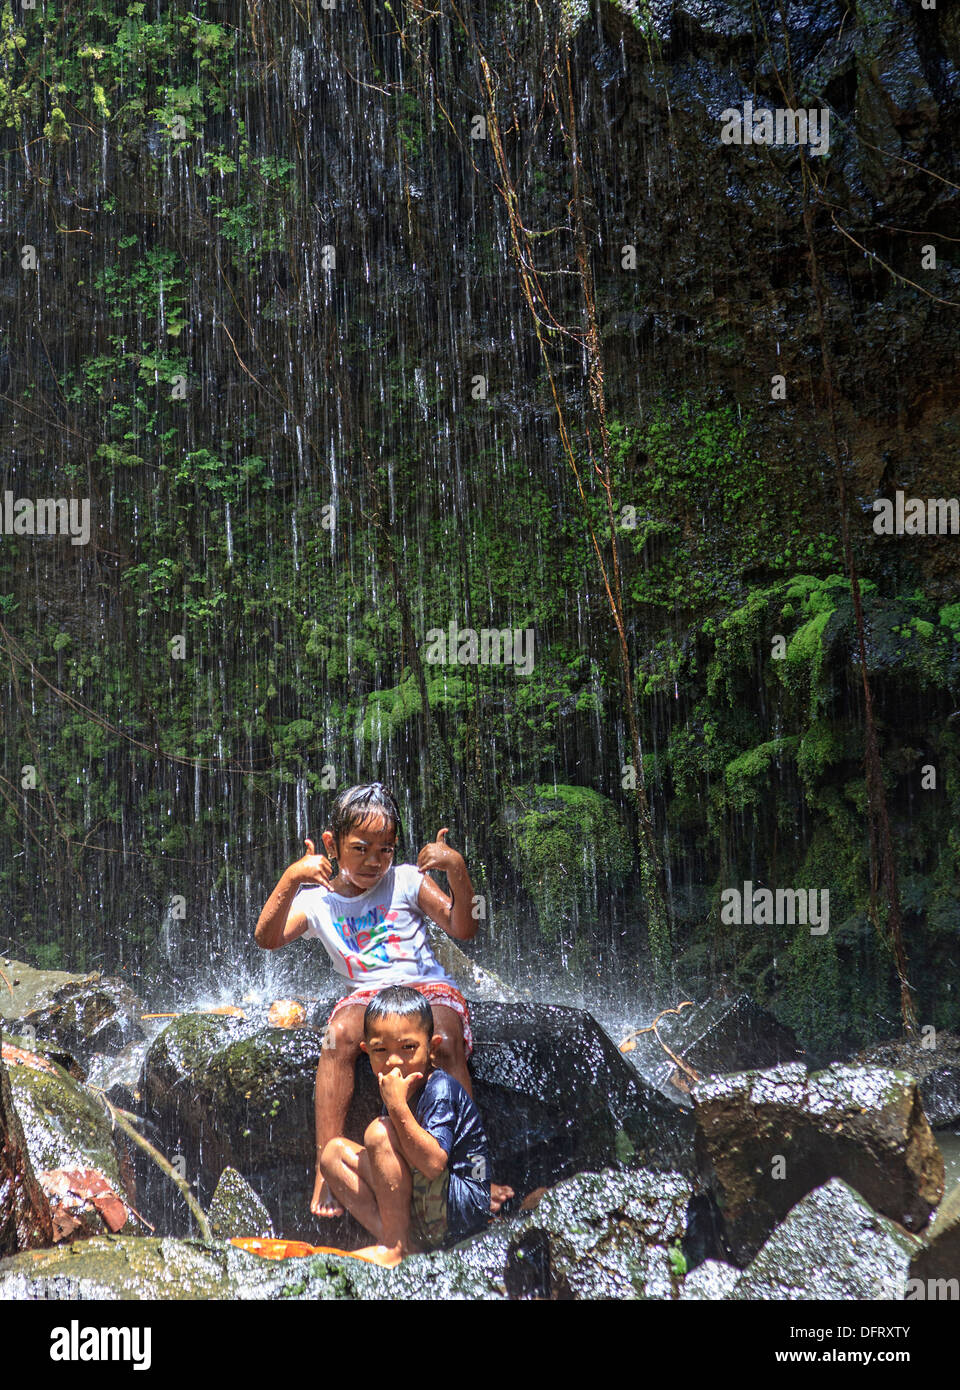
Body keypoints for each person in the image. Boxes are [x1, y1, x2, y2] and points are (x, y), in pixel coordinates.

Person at [254, 782, 511, 1220]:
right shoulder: (318, 901)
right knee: (337, 1035)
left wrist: (457, 869)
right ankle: (326, 1168)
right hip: (367, 994)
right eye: (362, 848)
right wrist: (292, 876)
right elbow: (267, 937)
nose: (375, 861)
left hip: (425, 985)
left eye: (386, 849)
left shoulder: (407, 880)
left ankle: (470, 1173)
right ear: (332, 845)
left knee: (444, 1038)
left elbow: (462, 927)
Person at [319, 985, 491, 1265]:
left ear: (432, 1048)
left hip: (460, 1207)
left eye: (408, 1048)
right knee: (333, 1154)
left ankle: (394, 1246)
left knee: (379, 1133)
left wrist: (397, 1107)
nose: (394, 1061)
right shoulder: (397, 1084)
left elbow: (434, 1164)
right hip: (427, 1202)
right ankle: (405, 1244)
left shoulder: (440, 1090)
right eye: (380, 1050)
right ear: (367, 1051)